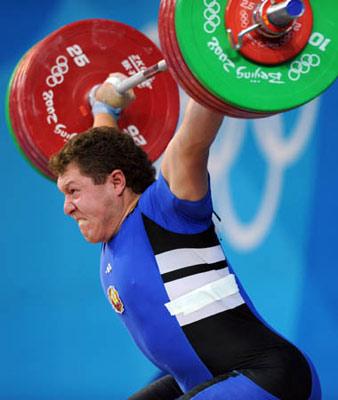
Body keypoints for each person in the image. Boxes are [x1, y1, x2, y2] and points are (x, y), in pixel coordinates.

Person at [49, 74, 321, 400]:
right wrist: (104, 105)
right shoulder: (113, 224)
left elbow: (192, 139)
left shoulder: (166, 211)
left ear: (117, 183)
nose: (67, 207)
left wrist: (218, 60)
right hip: (207, 383)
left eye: (73, 191)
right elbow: (104, 152)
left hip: (269, 377)